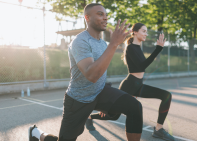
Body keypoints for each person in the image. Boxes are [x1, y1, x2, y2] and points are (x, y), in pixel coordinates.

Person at [28, 3, 144, 141]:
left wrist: (105, 100)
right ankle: (37, 134)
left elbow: (101, 71)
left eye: (106, 15)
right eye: (100, 14)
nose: (105, 18)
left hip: (100, 93)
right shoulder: (79, 41)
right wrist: (114, 44)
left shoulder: (102, 43)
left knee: (135, 107)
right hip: (79, 99)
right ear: (87, 18)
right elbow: (91, 75)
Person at [86, 23, 175, 141]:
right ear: (135, 32)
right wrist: (158, 49)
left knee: (166, 96)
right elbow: (142, 66)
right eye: (143, 31)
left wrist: (158, 49)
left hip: (138, 85)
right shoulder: (131, 48)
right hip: (129, 85)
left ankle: (158, 130)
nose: (146, 34)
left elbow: (142, 66)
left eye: (146, 31)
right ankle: (89, 117)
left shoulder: (138, 48)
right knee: (113, 115)